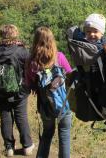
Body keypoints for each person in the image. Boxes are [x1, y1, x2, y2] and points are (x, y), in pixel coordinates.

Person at [0, 24, 34, 157]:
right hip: (20, 92)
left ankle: (9, 148)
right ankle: (27, 146)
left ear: (1, 35)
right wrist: (29, 88)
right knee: (21, 117)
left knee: (5, 118)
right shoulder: (22, 51)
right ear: (15, 34)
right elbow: (29, 71)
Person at [25, 26, 72, 158]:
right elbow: (70, 75)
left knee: (47, 134)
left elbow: (29, 84)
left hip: (45, 105)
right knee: (64, 135)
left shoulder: (31, 62)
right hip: (63, 103)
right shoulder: (59, 57)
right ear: (52, 40)